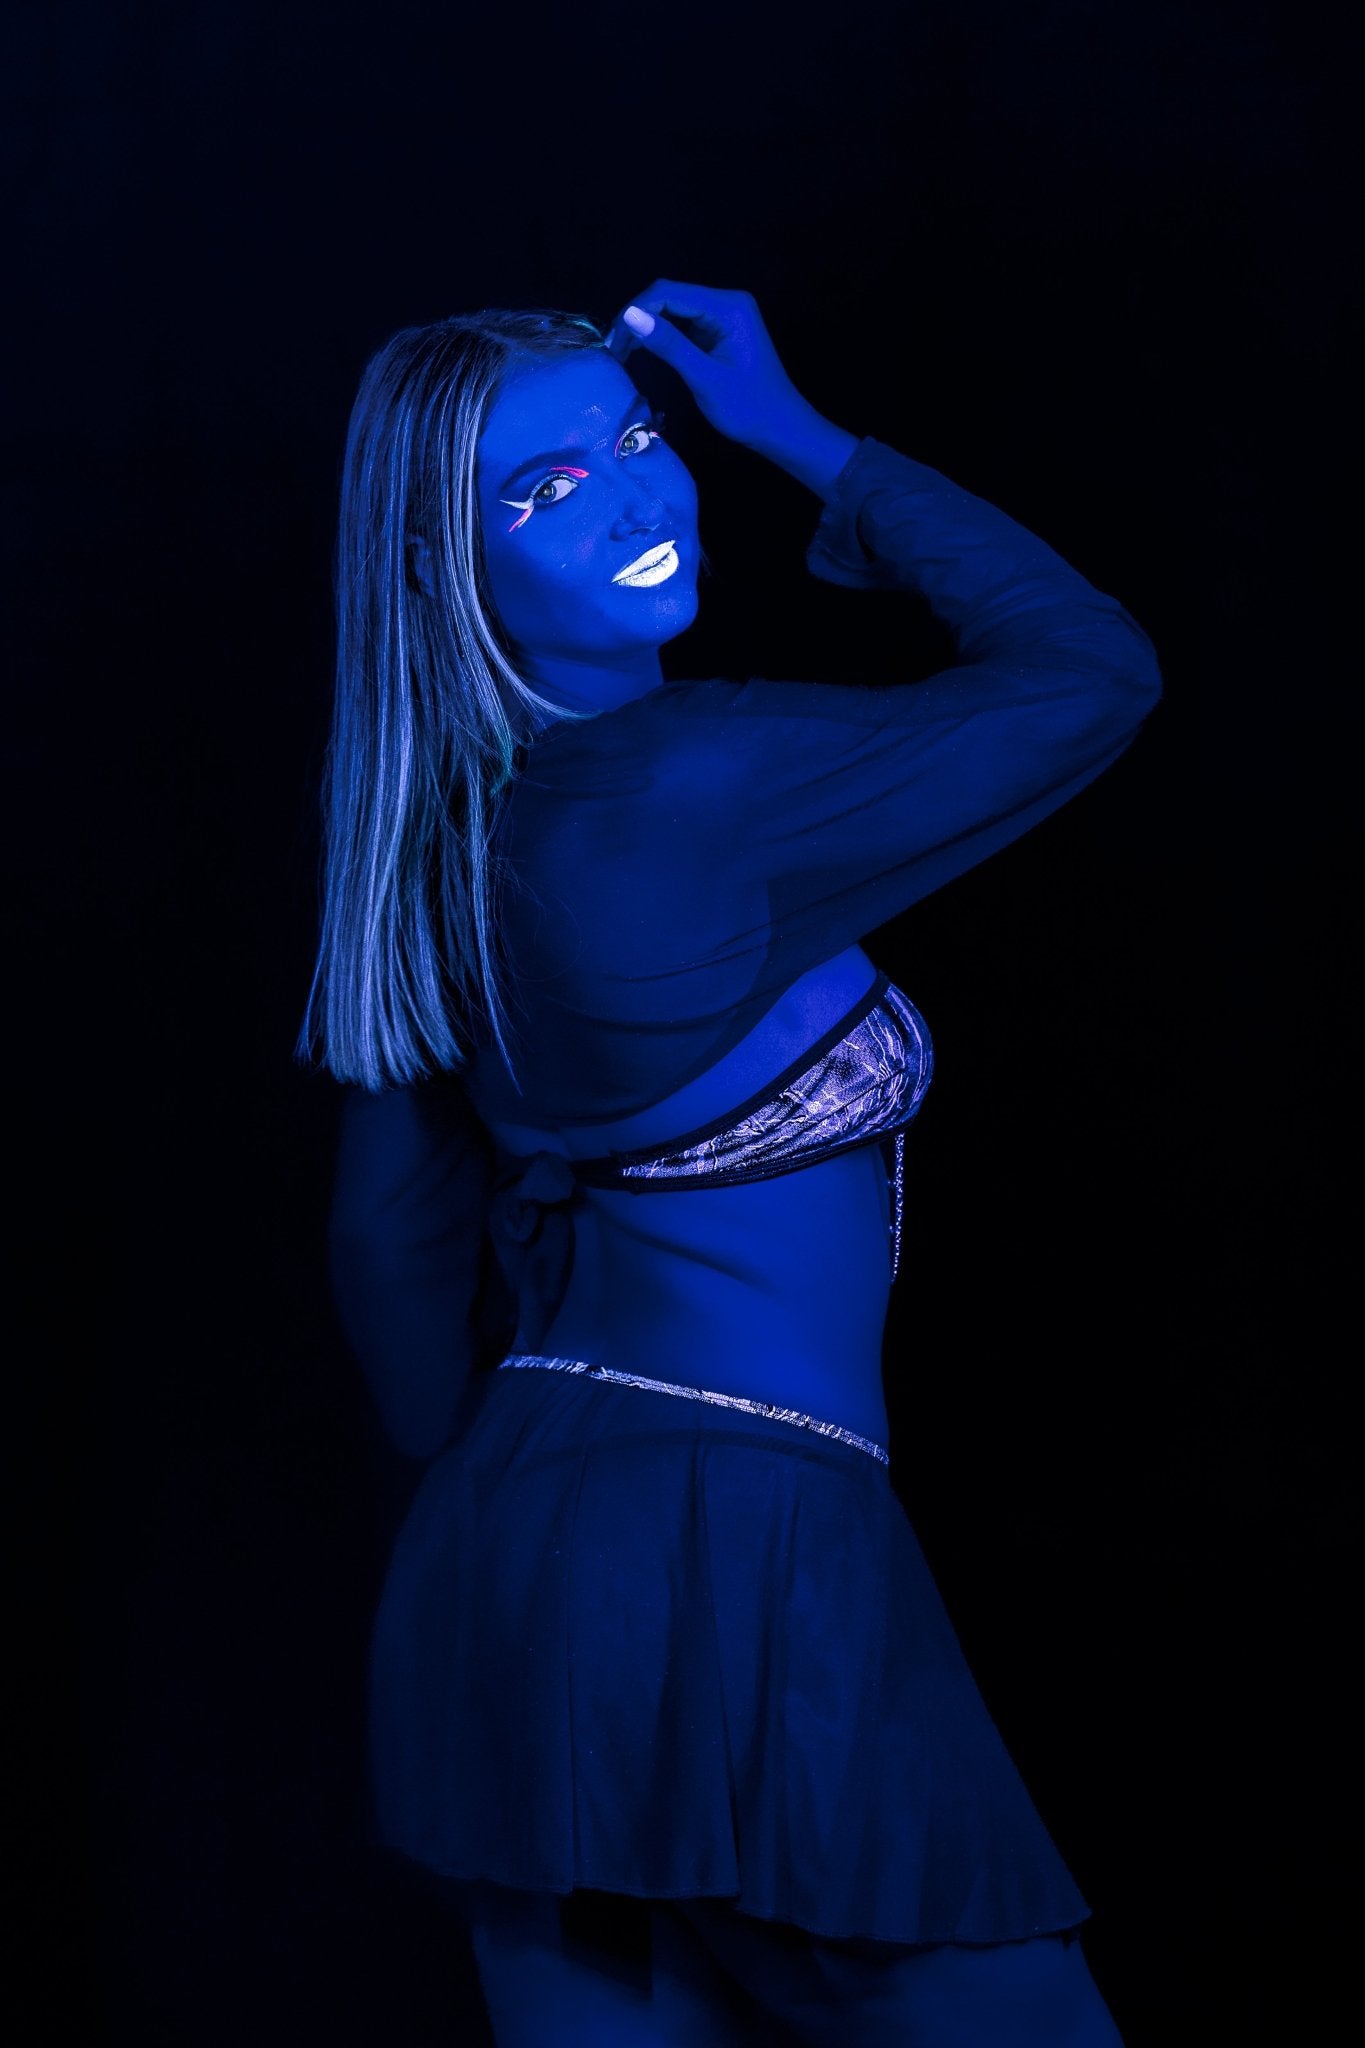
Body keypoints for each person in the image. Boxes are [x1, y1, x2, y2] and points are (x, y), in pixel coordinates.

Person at [298, 281, 1162, 2045]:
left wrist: (511, 1505)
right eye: (540, 494)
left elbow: (387, 1240)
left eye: (639, 439)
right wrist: (794, 432)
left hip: (509, 1567)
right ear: (428, 569)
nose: (635, 498)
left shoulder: (433, 854)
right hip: (747, 1536)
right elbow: (1091, 673)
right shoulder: (686, 784)